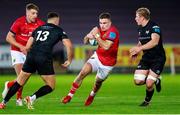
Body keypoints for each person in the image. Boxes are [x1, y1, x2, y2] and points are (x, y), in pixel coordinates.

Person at [0, 12, 73, 109]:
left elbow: (28, 46)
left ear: (48, 20)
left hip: (31, 56)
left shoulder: (38, 28)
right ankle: (32, 98)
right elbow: (68, 45)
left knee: (19, 82)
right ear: (57, 20)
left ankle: (3, 102)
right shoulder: (58, 30)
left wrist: (30, 55)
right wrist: (69, 59)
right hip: (43, 57)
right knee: (51, 85)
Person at [61, 12, 119, 106]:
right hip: (97, 57)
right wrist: (88, 37)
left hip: (108, 63)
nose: (102, 25)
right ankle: (69, 95)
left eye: (105, 23)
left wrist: (96, 36)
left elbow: (106, 46)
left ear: (110, 23)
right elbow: (84, 41)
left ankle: (92, 95)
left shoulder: (113, 32)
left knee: (98, 82)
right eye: (101, 23)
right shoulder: (97, 30)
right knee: (83, 72)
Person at [2, 3, 44, 106]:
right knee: (21, 75)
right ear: (27, 13)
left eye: (36, 13)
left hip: (29, 51)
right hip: (17, 50)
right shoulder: (19, 22)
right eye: (33, 13)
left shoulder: (40, 24)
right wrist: (21, 46)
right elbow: (8, 37)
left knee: (24, 77)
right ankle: (18, 99)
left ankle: (9, 84)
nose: (35, 15)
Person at [129, 7, 166, 106]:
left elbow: (154, 42)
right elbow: (141, 41)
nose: (135, 18)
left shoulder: (154, 27)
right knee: (138, 81)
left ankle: (147, 101)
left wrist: (139, 49)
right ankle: (155, 79)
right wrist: (137, 49)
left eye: (136, 16)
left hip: (158, 58)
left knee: (149, 84)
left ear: (142, 17)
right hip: (146, 58)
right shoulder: (140, 28)